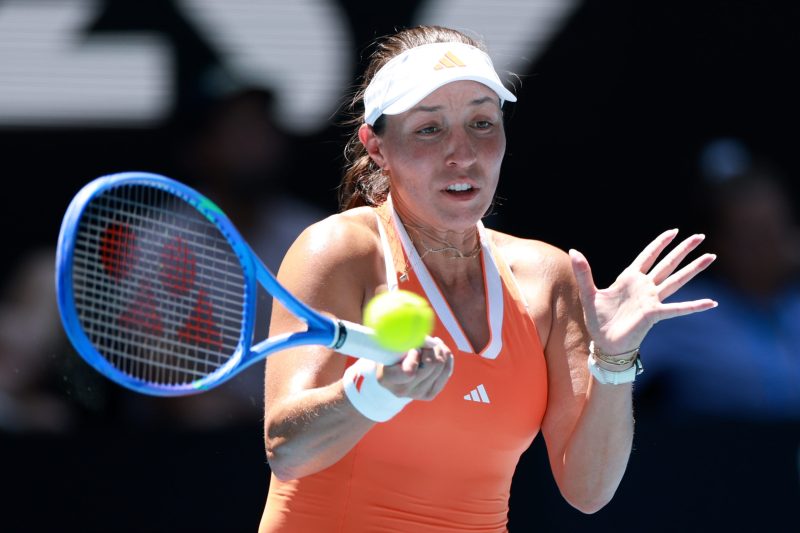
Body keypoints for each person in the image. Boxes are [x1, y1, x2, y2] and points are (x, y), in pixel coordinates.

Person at [258, 25, 717, 532]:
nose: (463, 153)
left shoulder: (548, 278)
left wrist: (614, 359)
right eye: (429, 129)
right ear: (377, 146)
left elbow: (588, 491)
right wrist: (378, 389)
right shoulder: (339, 251)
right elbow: (288, 451)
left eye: (481, 123)